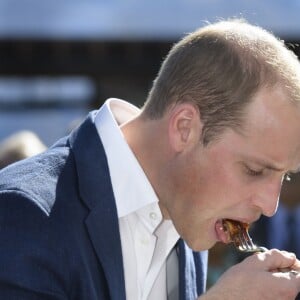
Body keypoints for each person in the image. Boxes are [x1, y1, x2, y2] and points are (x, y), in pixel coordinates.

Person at [0, 19, 300, 300]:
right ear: (185, 128)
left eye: (285, 175)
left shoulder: (189, 210)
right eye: (255, 170)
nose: (271, 205)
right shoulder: (21, 213)